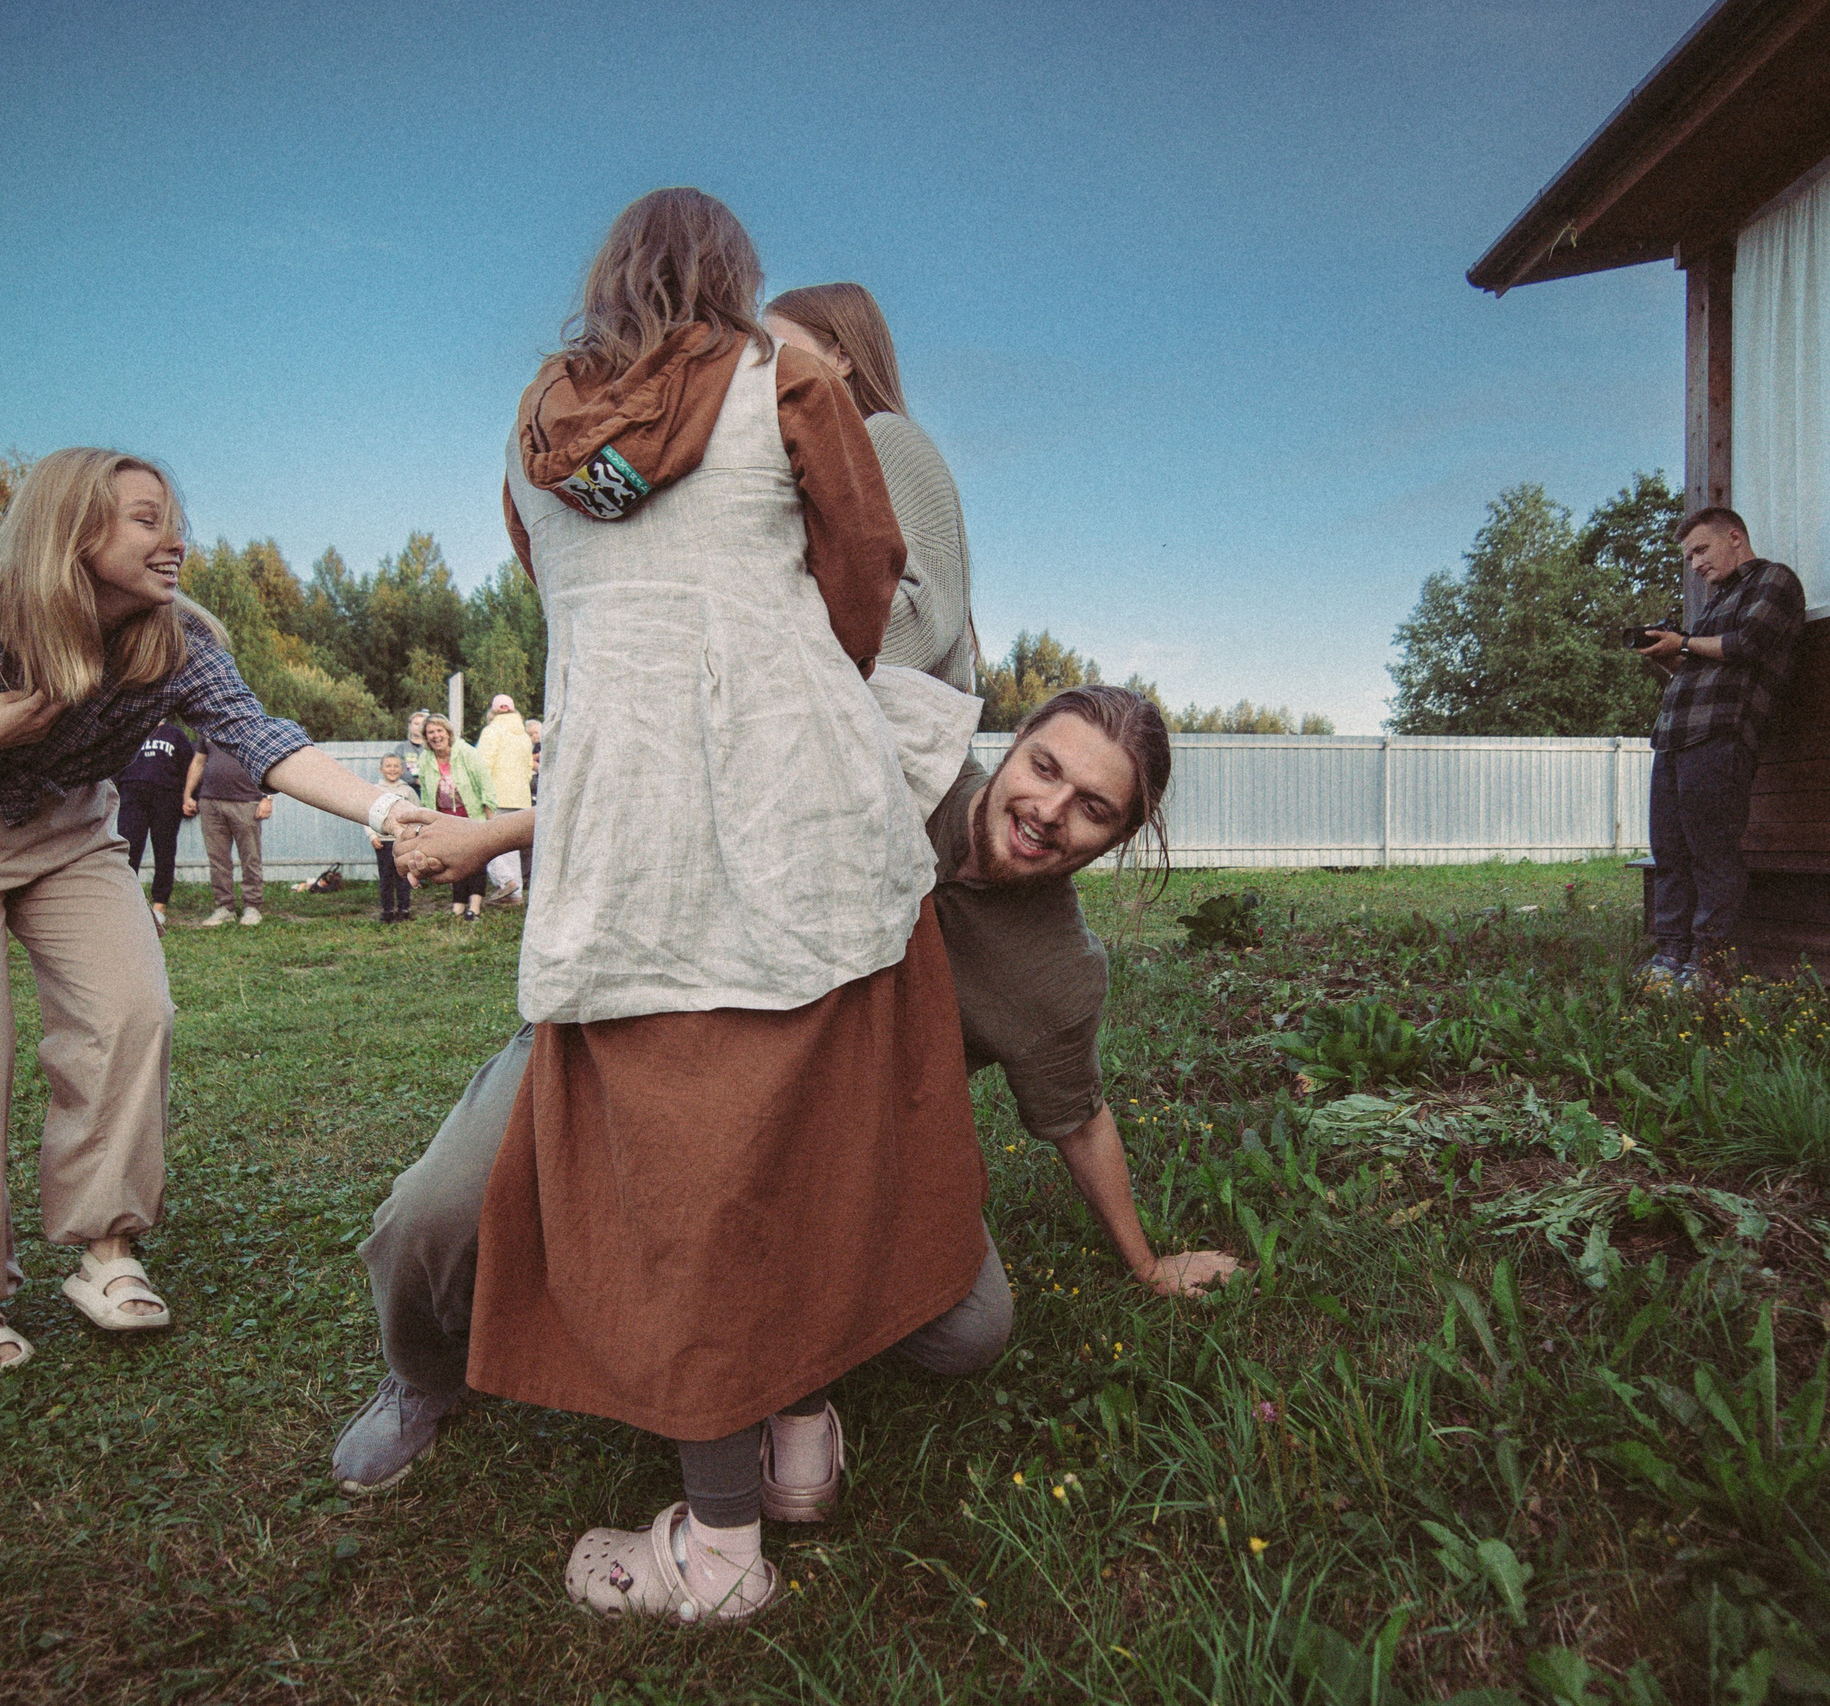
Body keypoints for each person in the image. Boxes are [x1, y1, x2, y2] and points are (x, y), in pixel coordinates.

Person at [428, 186, 989, 1625]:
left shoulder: (535, 427)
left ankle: (772, 1472)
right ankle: (741, 1531)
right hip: (797, 810)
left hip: (628, 826)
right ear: (735, 277)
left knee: (681, 1173)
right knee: (787, 1141)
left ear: (604, 279)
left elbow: (559, 591)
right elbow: (864, 574)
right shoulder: (788, 375)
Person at [332, 686, 1240, 1512]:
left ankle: (786, 1352)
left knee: (972, 1327)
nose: (1048, 813)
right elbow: (667, 786)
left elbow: (1078, 1117)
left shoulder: (1056, 973)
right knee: (435, 1213)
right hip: (646, 1017)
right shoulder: (888, 769)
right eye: (1045, 768)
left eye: (1093, 810)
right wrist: (492, 836)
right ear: (1012, 747)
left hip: (832, 1133)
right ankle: (421, 1374)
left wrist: (1146, 1263)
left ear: (1120, 838)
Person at [0, 448, 431, 1385]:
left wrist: (386, 812)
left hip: (66, 829)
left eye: (175, 517)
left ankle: (104, 1248)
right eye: (147, 519)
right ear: (73, 528)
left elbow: (254, 735)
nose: (174, 538)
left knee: (131, 1014)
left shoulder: (176, 636)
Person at [764, 284, 980, 693]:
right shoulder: (829, 462)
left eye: (780, 354)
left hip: (893, 751)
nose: (764, 374)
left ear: (842, 358)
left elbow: (919, 623)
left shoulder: (884, 437)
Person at [1633, 507, 1806, 994]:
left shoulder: (1774, 581)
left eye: (1701, 550)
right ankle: (1670, 956)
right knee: (1670, 853)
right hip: (1673, 738)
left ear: (1734, 537)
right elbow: (1698, 667)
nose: (1695, 565)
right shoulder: (1714, 604)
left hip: (1723, 735)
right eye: (1689, 557)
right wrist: (1671, 656)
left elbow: (1748, 644)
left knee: (1712, 853)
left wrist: (1684, 642)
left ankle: (1712, 965)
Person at [116, 719, 195, 933]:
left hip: (166, 798)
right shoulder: (130, 730)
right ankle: (127, 903)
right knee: (128, 850)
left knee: (164, 850)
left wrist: (190, 797)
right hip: (132, 796)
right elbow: (115, 765)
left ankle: (159, 904)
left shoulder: (175, 735)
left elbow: (191, 766)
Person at [412, 715, 494, 922]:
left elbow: (485, 782)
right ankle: (458, 904)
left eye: (439, 731)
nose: (436, 736)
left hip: (472, 816)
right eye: (431, 732)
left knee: (475, 862)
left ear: (448, 733)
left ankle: (474, 907)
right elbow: (426, 795)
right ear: (426, 737)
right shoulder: (425, 759)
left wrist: (489, 815)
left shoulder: (466, 753)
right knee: (453, 861)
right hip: (446, 819)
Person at [184, 738, 272, 926]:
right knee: (218, 859)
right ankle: (224, 907)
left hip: (246, 802)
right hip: (210, 801)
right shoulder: (208, 728)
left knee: (250, 857)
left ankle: (252, 907)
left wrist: (268, 798)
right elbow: (198, 762)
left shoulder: (251, 727)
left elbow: (270, 762)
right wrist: (188, 795)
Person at [474, 693, 536, 901]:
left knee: (488, 842)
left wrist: (483, 797)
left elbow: (483, 766)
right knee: (511, 847)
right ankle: (515, 894)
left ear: (492, 712)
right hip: (520, 798)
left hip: (496, 795)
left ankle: (506, 882)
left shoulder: (492, 731)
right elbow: (529, 768)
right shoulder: (524, 736)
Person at [367, 751, 417, 924]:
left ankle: (404, 910)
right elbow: (367, 815)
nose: (392, 769)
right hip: (383, 841)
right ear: (381, 769)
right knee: (386, 878)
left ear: (402, 769)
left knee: (403, 876)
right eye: (388, 766)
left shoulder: (407, 791)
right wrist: (372, 835)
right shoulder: (376, 790)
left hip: (402, 840)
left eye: (396, 766)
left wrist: (413, 836)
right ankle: (387, 911)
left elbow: (417, 812)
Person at [390, 709, 429, 790]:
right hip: (407, 790)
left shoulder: (431, 748)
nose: (419, 727)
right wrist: (416, 780)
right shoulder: (401, 748)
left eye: (423, 724)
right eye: (416, 724)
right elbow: (398, 770)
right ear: (409, 725)